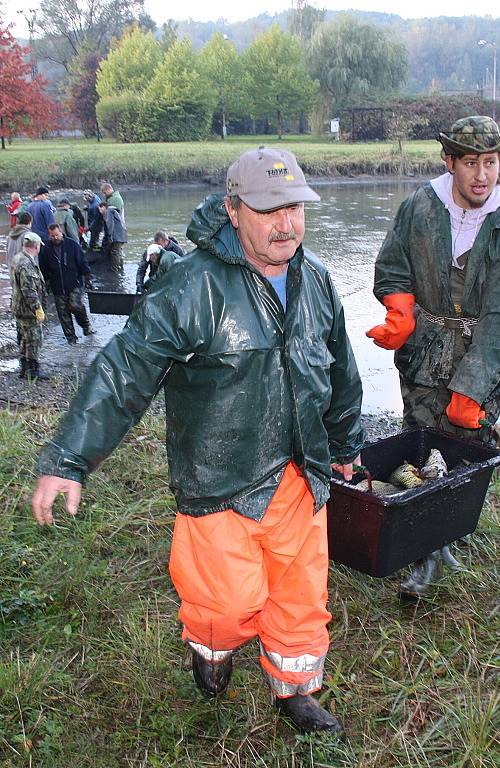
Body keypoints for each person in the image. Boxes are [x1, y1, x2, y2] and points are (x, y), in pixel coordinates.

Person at [32, 147, 364, 735]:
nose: (286, 224)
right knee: (226, 603)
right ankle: (211, 648)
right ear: (235, 211)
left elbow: (337, 372)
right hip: (220, 478)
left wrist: (343, 444)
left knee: (301, 595)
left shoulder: (317, 280)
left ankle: (295, 688)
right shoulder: (191, 284)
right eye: (269, 209)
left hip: (301, 476)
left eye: (295, 207)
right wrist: (68, 458)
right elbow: (125, 368)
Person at [366, 115, 500, 597]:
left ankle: (443, 539)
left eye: (492, 164)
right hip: (424, 351)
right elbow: (392, 264)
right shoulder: (419, 207)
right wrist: (399, 310)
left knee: (463, 451)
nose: (483, 175)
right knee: (420, 441)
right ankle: (423, 551)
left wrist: (472, 388)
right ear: (449, 162)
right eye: (472, 163)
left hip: (483, 351)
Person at [39, 223, 95, 344]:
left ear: (61, 233)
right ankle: (71, 338)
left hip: (75, 283)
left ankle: (86, 325)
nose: (55, 238)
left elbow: (82, 261)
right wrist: (46, 283)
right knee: (63, 313)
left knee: (75, 305)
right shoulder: (46, 249)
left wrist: (87, 275)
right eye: (52, 236)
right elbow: (43, 268)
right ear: (49, 235)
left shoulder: (72, 245)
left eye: (57, 235)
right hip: (57, 286)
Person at [10, 231, 49, 381]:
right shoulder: (26, 264)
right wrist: (38, 308)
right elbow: (28, 289)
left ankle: (24, 368)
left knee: (25, 338)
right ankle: (32, 370)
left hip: (19, 306)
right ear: (36, 246)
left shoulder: (18, 258)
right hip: (27, 309)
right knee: (34, 339)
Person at [98, 201, 127, 271]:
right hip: (122, 234)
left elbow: (110, 225)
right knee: (118, 251)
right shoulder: (112, 210)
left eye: (100, 209)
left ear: (104, 207)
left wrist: (110, 237)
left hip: (117, 236)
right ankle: (120, 266)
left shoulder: (108, 211)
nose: (99, 211)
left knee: (114, 252)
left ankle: (114, 269)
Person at [6, 211, 33, 277]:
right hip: (24, 272)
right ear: (30, 222)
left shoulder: (10, 235)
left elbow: (7, 252)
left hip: (12, 269)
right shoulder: (28, 235)